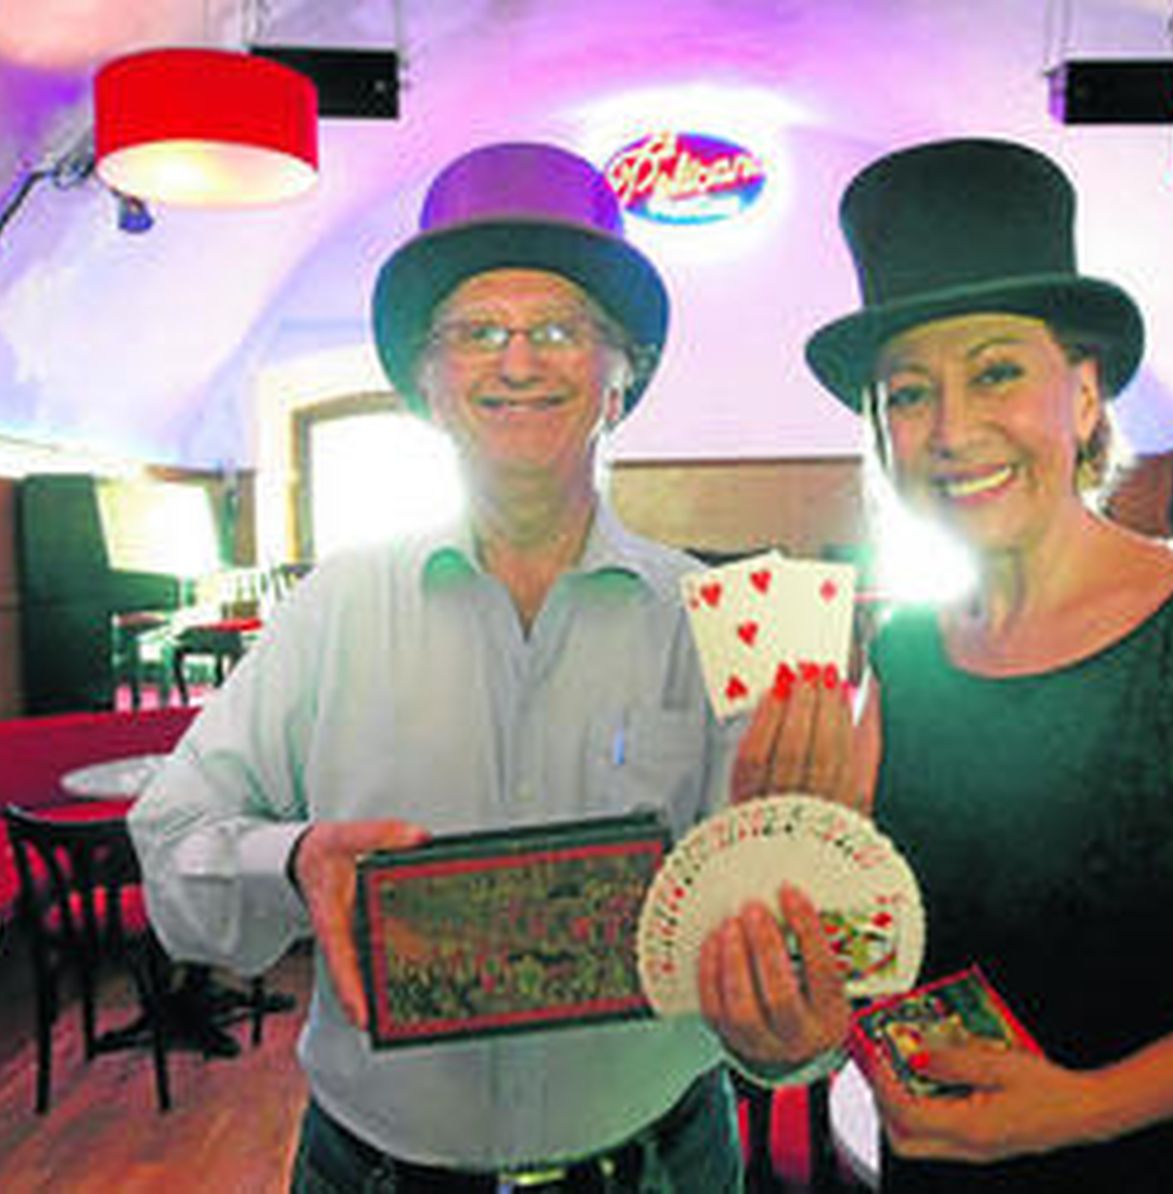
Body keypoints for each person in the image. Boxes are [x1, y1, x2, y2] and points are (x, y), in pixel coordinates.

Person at [129, 141, 843, 1193]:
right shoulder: (332, 608)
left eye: (559, 329)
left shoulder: (725, 621)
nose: (517, 361)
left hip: (662, 1164)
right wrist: (294, 861)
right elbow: (171, 841)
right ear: (427, 386)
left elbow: (782, 922)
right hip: (373, 1173)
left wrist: (787, 1031)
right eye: (474, 332)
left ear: (620, 379)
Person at [748, 138, 1173, 1190]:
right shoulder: (902, 657)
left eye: (996, 372)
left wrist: (1087, 1107)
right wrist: (789, 968)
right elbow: (871, 949)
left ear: (1085, 393)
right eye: (908, 393)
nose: (952, 429)